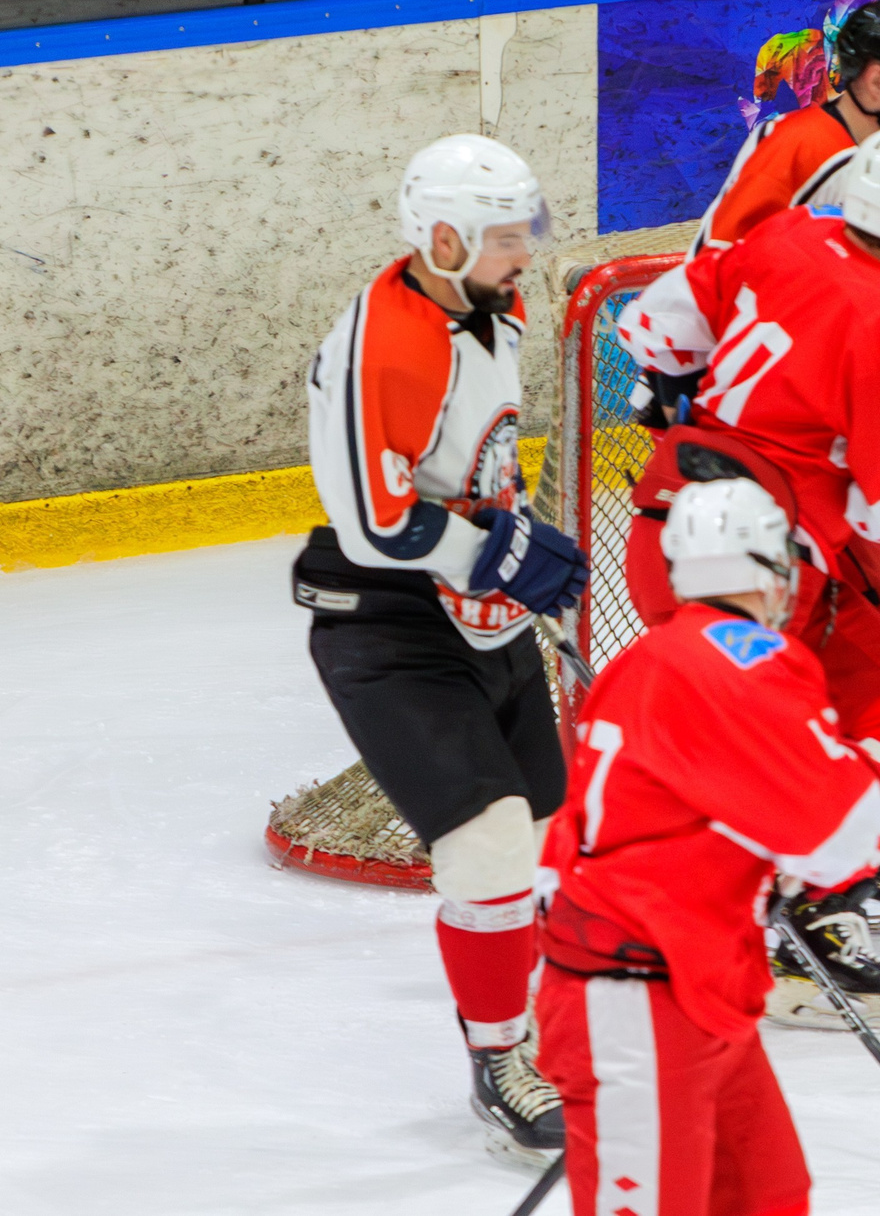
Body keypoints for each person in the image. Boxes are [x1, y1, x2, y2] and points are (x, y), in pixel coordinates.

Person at [611, 124, 880, 1022]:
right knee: (836, 729)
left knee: (871, 707)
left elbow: (647, 325)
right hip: (764, 570)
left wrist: (682, 390)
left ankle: (802, 899)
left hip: (665, 528)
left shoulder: (786, 234)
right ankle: (796, 910)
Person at [298, 134, 595, 1161]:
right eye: (509, 236)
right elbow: (375, 521)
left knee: (551, 835)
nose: (529, 253)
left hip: (483, 617)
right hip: (388, 624)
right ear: (443, 237)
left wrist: (509, 544)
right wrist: (500, 547)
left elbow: (471, 464)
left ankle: (563, 1026)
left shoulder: (488, 304)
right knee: (488, 846)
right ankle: (500, 1058)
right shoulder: (387, 340)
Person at [535, 476, 880, 1216]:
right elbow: (845, 838)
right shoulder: (748, 661)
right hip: (636, 997)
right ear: (776, 568)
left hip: (692, 984)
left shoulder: (654, 656)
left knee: (769, 1195)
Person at [617, 0, 880, 422]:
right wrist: (686, 392)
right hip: (732, 403)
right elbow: (716, 276)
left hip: (820, 410)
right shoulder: (796, 148)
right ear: (879, 82)